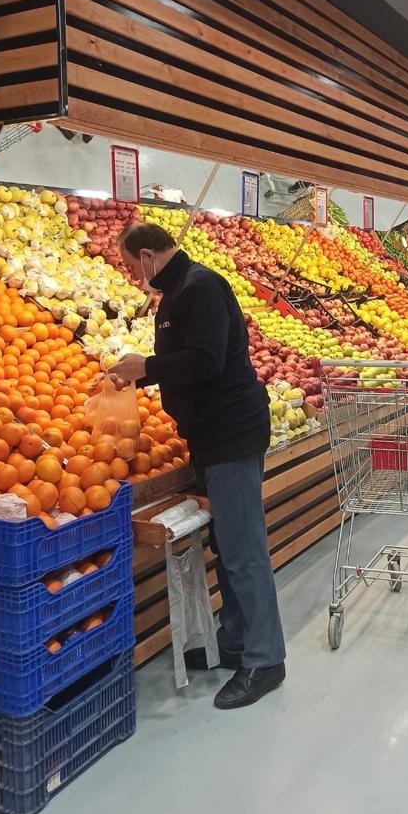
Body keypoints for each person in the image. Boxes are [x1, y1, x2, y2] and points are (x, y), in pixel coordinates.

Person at [109, 223, 286, 708]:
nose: (134, 276)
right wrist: (141, 375)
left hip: (232, 433)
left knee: (243, 549)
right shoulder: (177, 293)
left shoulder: (201, 287)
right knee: (225, 546)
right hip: (209, 436)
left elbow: (206, 361)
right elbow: (186, 361)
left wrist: (147, 367)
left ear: (148, 255)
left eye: (132, 267)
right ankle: (237, 642)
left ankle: (266, 659)